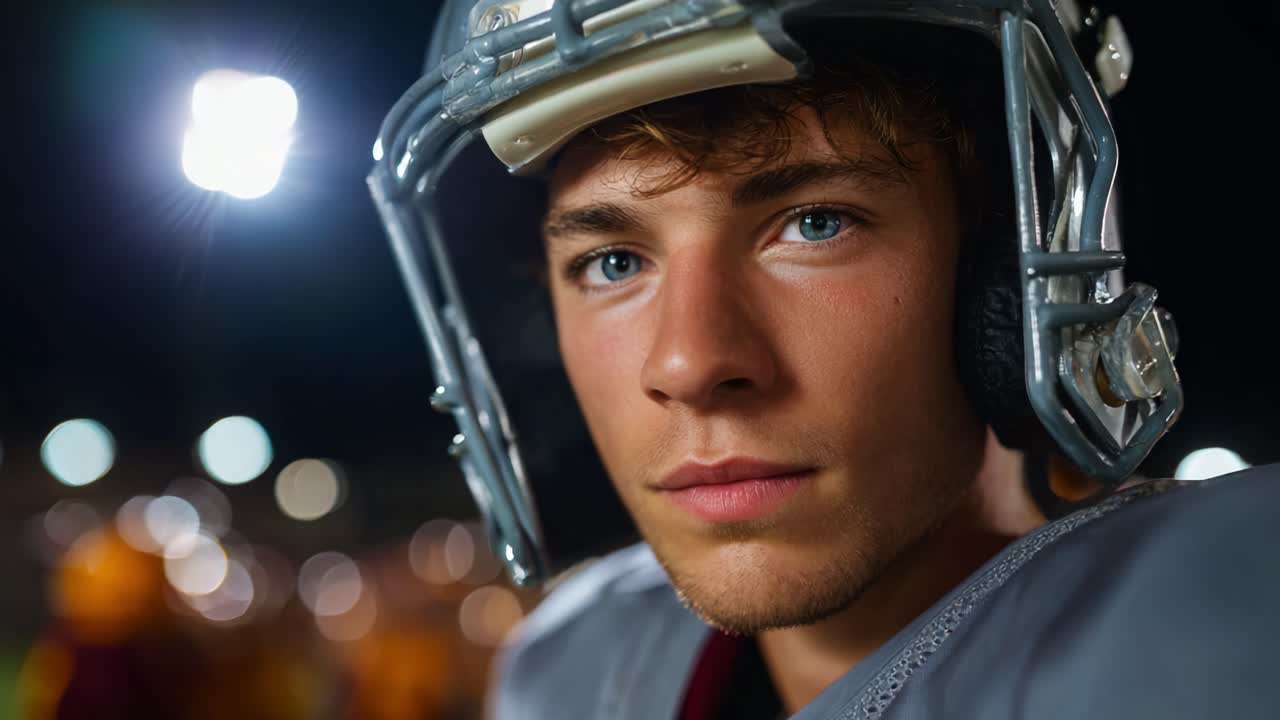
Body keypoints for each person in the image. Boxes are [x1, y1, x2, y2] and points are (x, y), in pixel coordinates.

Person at [367, 1, 1280, 717]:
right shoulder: (569, 671)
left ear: (998, 269)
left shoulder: (1226, 621)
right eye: (614, 263)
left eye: (815, 222)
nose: (689, 363)